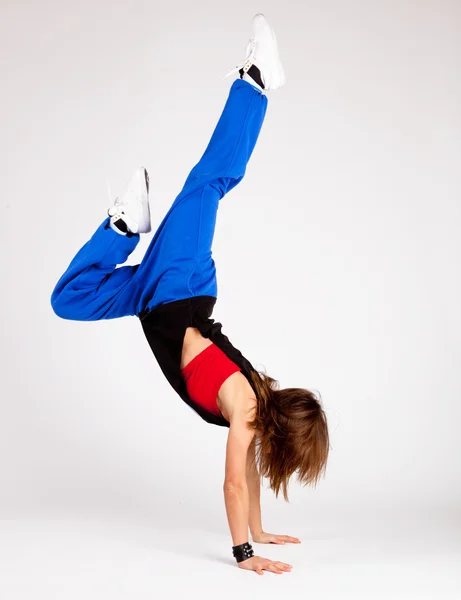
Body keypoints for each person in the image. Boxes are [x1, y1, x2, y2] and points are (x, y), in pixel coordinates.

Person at [51, 14, 329, 575]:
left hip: (155, 303)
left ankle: (125, 227)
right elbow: (231, 481)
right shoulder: (248, 406)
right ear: (283, 438)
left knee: (70, 299)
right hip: (178, 288)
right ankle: (255, 82)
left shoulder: (251, 415)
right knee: (209, 183)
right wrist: (244, 554)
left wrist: (259, 528)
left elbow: (245, 474)